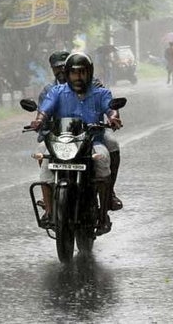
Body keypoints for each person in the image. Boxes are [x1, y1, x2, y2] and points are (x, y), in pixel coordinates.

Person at [31, 52, 122, 236]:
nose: (78, 77)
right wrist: (39, 120)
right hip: (60, 142)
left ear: (89, 73)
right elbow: (45, 110)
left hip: (91, 142)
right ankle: (49, 210)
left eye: (82, 72)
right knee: (43, 156)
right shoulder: (56, 92)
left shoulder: (101, 92)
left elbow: (111, 109)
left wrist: (113, 118)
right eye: (74, 73)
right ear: (68, 73)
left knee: (103, 158)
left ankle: (103, 215)